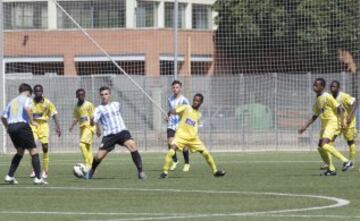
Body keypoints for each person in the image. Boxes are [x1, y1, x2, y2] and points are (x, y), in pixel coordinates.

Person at [85, 86, 146, 180]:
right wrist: (96, 126)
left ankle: (140, 172)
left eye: (106, 94)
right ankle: (92, 170)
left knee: (133, 145)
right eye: (102, 95)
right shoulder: (98, 109)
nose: (104, 96)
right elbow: (94, 121)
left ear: (110, 95)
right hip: (109, 135)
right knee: (98, 157)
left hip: (122, 131)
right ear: (100, 96)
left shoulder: (116, 104)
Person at [159, 93, 226, 178]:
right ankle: (165, 172)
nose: (195, 102)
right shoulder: (186, 107)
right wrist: (168, 114)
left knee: (206, 153)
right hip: (181, 136)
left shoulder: (199, 115)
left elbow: (196, 125)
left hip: (193, 138)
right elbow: (174, 110)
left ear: (201, 102)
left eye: (197, 101)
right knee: (171, 151)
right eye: (194, 100)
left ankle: (215, 171)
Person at [298, 78, 353, 176]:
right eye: (314, 84)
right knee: (321, 147)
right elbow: (315, 115)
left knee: (324, 144)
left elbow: (339, 108)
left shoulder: (327, 96)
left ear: (322, 87)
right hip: (325, 125)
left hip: (332, 123)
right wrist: (304, 127)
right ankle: (331, 169)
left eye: (316, 85)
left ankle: (346, 161)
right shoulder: (318, 99)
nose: (314, 86)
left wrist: (341, 122)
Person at [1, 83, 47, 184]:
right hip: (22, 126)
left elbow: (3, 116)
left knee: (20, 151)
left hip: (12, 127)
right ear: (28, 92)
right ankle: (38, 178)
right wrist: (31, 121)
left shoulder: (12, 101)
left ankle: (9, 176)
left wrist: (7, 127)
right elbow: (27, 108)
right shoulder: (27, 99)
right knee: (34, 151)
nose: (31, 96)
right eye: (31, 94)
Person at [30, 84, 61, 179]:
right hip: (33, 125)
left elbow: (54, 114)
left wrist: (58, 127)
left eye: (39, 91)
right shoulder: (30, 102)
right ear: (34, 92)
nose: (38, 92)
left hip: (43, 125)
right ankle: (35, 170)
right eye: (36, 91)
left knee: (45, 147)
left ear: (42, 92)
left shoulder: (47, 103)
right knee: (32, 147)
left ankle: (45, 170)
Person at [328, 80, 357, 165]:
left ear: (338, 88)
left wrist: (349, 116)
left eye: (334, 86)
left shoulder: (344, 96)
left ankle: (351, 161)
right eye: (331, 86)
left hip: (349, 122)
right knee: (329, 141)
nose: (332, 88)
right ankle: (328, 163)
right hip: (337, 122)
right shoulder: (330, 97)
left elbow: (355, 103)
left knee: (350, 142)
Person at [167, 80, 191, 172]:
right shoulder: (170, 99)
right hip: (172, 124)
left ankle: (187, 163)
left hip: (181, 125)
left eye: (177, 87)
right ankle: (175, 161)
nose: (175, 89)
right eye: (173, 87)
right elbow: (170, 110)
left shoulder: (184, 100)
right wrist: (168, 115)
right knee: (170, 143)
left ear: (180, 88)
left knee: (184, 146)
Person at [69, 89, 95, 171]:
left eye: (82, 95)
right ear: (76, 96)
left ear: (84, 95)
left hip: (89, 127)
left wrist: (97, 128)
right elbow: (76, 117)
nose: (81, 96)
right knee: (88, 147)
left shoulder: (88, 104)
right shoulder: (76, 107)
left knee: (81, 144)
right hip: (82, 128)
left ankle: (87, 164)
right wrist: (72, 126)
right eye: (79, 95)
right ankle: (92, 167)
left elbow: (93, 116)